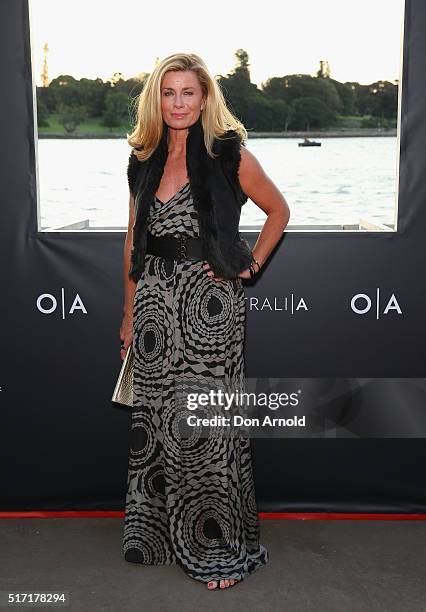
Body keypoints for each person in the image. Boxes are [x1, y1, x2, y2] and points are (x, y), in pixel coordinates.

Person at [120, 52, 290, 591]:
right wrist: (128, 312)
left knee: (207, 429)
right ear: (157, 98)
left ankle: (215, 544)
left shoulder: (228, 154)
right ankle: (159, 533)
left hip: (208, 306)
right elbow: (133, 240)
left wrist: (247, 269)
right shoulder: (142, 156)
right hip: (152, 304)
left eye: (188, 92)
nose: (178, 103)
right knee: (156, 419)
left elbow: (279, 211)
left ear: (205, 97)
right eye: (168, 93)